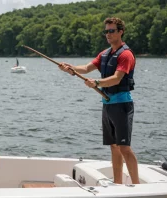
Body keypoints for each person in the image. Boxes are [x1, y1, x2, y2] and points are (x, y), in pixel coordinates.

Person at [58, 17, 139, 184]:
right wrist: (70, 68)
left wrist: (96, 83)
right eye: (106, 31)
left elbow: (117, 79)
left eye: (112, 31)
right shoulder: (104, 54)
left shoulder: (126, 55)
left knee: (124, 147)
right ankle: (118, 183)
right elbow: (87, 68)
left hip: (122, 105)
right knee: (114, 147)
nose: (108, 34)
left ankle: (138, 186)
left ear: (120, 32)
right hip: (107, 105)